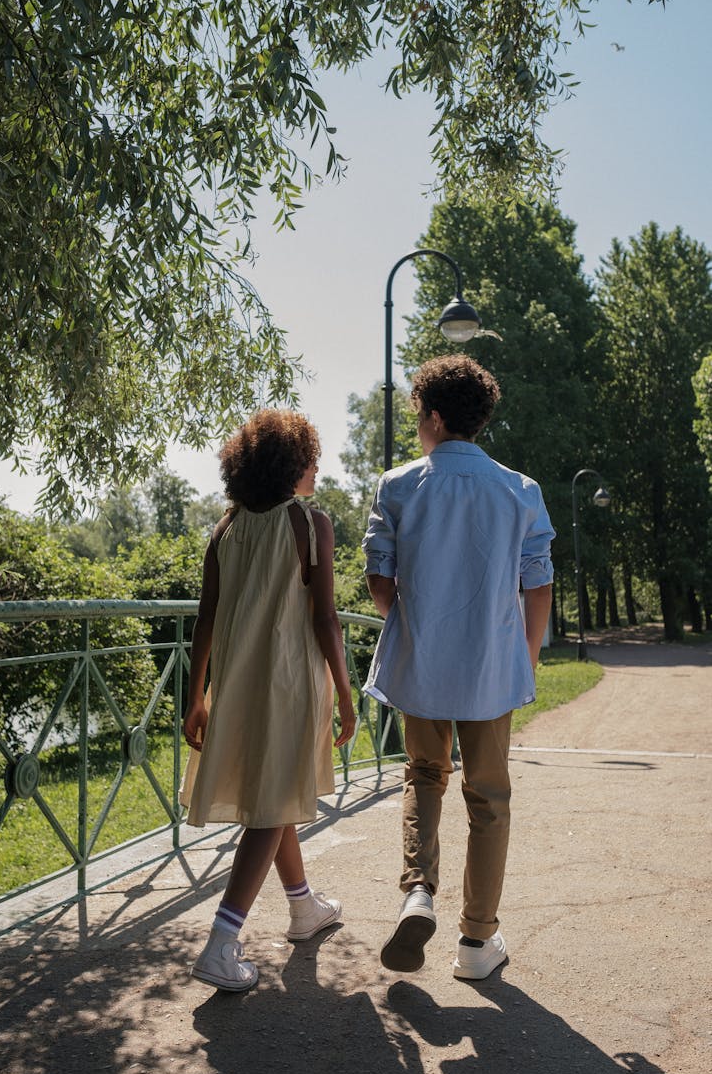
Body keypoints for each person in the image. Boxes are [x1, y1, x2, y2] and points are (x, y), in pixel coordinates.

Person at [362, 355, 554, 981]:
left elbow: (380, 582)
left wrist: (418, 626)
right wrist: (521, 659)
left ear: (436, 417)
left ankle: (418, 889)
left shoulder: (397, 485)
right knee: (489, 798)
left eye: (419, 416)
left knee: (423, 775)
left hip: (423, 665)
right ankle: (476, 943)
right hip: (490, 669)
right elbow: (538, 586)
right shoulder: (520, 491)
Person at [181, 409, 356, 992]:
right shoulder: (311, 525)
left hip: (235, 684)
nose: (316, 470)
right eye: (312, 459)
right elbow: (326, 618)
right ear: (293, 466)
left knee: (272, 793)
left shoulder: (225, 527)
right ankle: (221, 942)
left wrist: (196, 696)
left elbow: (205, 619)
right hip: (290, 683)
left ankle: (304, 907)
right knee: (274, 802)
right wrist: (348, 696)